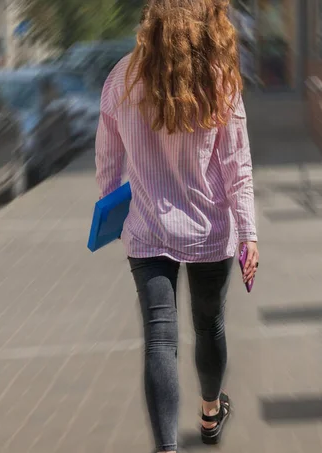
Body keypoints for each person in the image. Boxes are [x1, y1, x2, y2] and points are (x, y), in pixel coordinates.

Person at [95, 1, 258, 452]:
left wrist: (109, 207)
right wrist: (249, 233)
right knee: (209, 326)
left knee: (159, 339)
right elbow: (236, 166)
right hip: (210, 231)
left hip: (146, 230)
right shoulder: (219, 81)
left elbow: (107, 157)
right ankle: (210, 414)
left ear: (153, 21)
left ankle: (167, 447)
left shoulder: (122, 77)